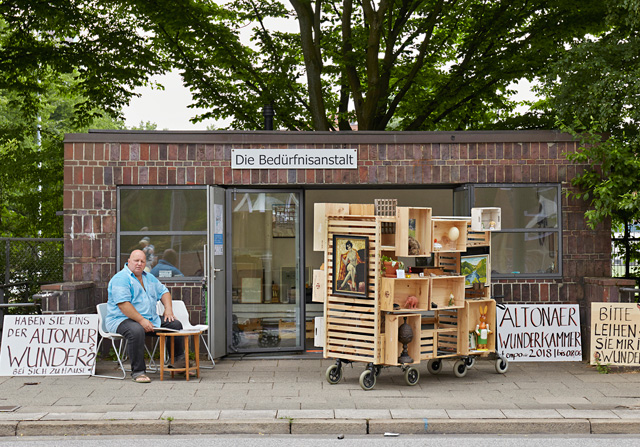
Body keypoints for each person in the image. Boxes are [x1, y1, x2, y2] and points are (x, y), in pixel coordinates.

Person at [106, 249, 188, 383]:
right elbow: (124, 305)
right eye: (136, 261)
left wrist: (168, 309)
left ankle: (177, 365)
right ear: (129, 262)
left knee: (175, 324)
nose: (139, 264)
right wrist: (141, 320)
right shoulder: (120, 279)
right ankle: (138, 372)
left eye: (142, 261)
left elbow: (164, 292)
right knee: (136, 330)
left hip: (150, 319)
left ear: (145, 264)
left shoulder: (149, 277)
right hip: (121, 319)